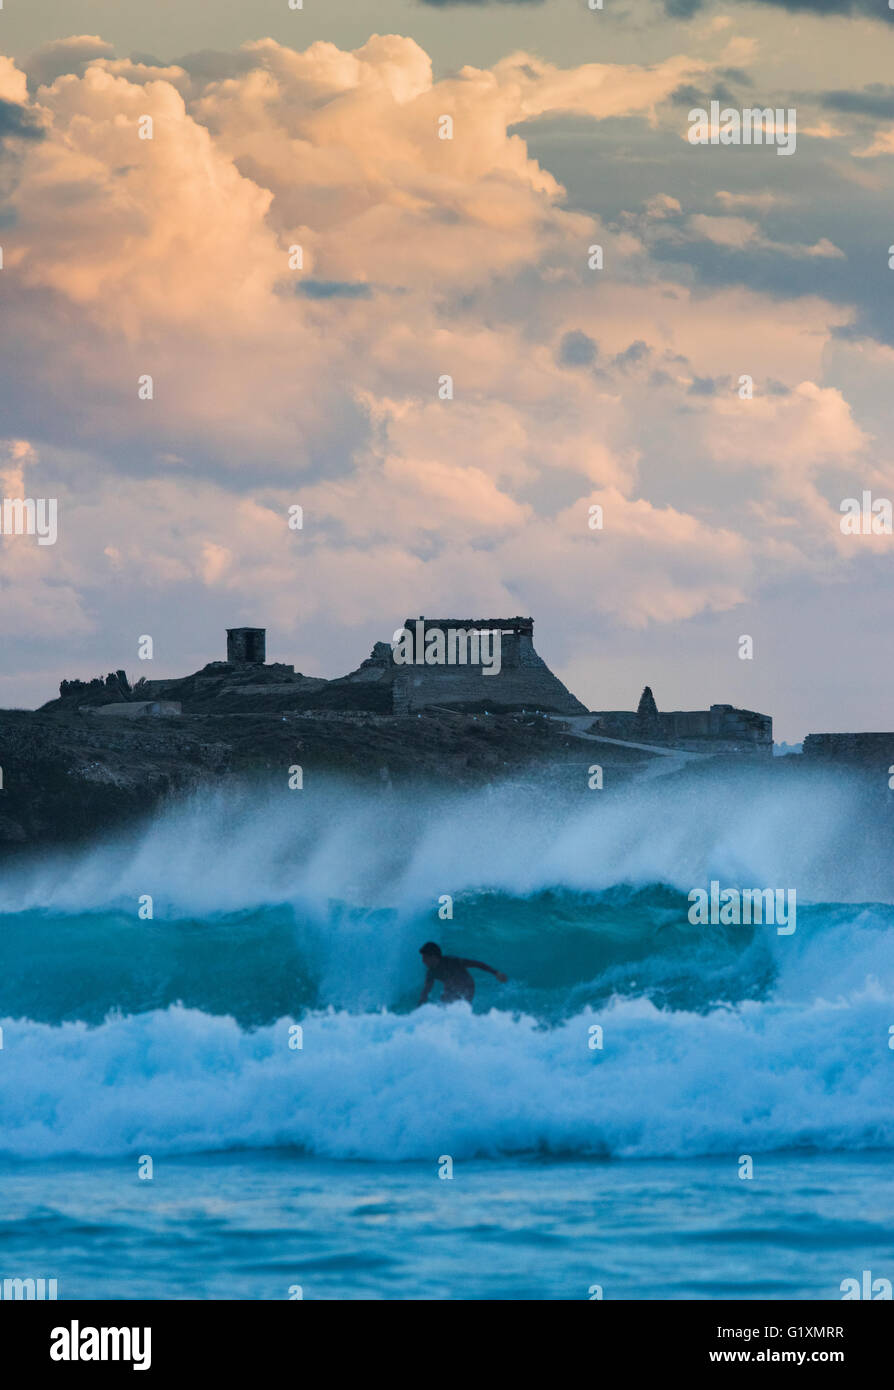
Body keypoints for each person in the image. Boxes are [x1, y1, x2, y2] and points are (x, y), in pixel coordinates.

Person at [417, 941, 508, 1006]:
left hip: (467, 986)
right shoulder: (431, 972)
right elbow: (426, 991)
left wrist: (496, 973)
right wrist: (419, 1008)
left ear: (433, 956)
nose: (423, 961)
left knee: (459, 1006)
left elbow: (477, 964)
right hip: (451, 987)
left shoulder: (452, 961)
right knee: (443, 1002)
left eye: (425, 957)